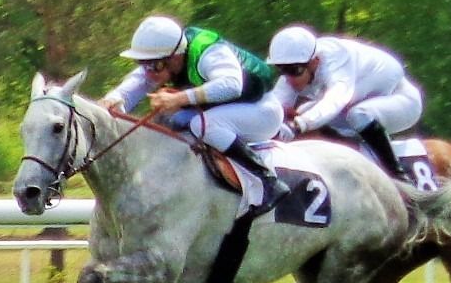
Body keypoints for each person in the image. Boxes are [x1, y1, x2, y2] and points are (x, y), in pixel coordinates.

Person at [107, 14, 284, 211]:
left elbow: (232, 85)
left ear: (175, 56)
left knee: (201, 125)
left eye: (154, 65)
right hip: (229, 110)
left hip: (262, 110)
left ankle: (266, 179)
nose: (149, 72)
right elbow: (134, 86)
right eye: (142, 63)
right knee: (165, 122)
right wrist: (112, 101)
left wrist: (179, 98)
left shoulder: (208, 51)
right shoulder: (164, 56)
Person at [263, 25, 424, 179]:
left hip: (402, 101)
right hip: (359, 104)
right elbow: (274, 108)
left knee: (358, 115)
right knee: (306, 112)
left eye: (294, 70)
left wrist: (297, 125)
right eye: (282, 70)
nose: (289, 79)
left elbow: (335, 100)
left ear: (315, 62)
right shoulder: (299, 68)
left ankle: (398, 176)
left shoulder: (336, 60)